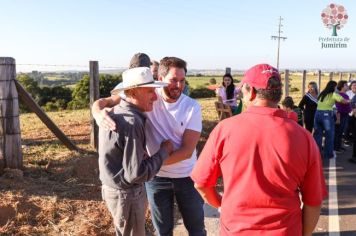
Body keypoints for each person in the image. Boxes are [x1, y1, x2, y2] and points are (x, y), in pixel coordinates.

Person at [191, 63, 327, 236]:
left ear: (252, 92)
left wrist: (221, 204)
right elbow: (313, 201)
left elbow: (201, 184)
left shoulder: (224, 129)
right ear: (277, 95)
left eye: (243, 90)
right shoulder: (304, 137)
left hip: (235, 230)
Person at [93, 56, 206, 236]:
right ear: (160, 80)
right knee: (162, 230)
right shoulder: (147, 96)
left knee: (196, 228)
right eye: (173, 80)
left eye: (182, 80)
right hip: (156, 178)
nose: (178, 85)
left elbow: (186, 152)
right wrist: (97, 113)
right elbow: (103, 102)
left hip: (186, 176)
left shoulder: (191, 107)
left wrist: (151, 162)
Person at [99, 67, 174, 236]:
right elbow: (136, 174)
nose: (155, 97)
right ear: (132, 93)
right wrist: (164, 151)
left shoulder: (117, 112)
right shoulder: (132, 122)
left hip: (116, 191)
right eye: (149, 91)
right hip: (127, 195)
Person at [313, 80, 349, 159]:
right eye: (336, 86)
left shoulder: (322, 94)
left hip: (317, 114)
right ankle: (328, 154)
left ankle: (316, 154)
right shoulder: (333, 94)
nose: (337, 88)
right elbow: (344, 101)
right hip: (327, 115)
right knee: (329, 135)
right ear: (333, 87)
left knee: (317, 135)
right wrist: (350, 101)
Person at [334, 80, 351, 152]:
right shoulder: (340, 95)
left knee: (341, 132)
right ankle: (336, 147)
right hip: (341, 115)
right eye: (346, 85)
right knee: (338, 131)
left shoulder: (345, 94)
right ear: (342, 87)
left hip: (345, 115)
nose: (347, 86)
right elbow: (339, 107)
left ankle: (339, 146)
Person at [344, 80, 356, 144]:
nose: (355, 86)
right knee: (348, 126)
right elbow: (346, 102)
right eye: (353, 85)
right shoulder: (348, 92)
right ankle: (346, 139)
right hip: (349, 112)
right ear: (351, 86)